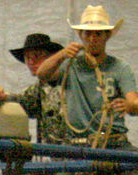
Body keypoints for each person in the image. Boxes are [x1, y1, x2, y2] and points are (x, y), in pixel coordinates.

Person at [36, 5, 138, 150]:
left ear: (107, 36)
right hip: (78, 145)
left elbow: (134, 100)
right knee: (61, 173)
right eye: (88, 34)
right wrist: (62, 54)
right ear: (81, 35)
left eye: (98, 34)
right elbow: (42, 74)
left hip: (114, 142)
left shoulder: (120, 67)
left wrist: (130, 106)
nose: (92, 39)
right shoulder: (70, 65)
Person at [0, 33, 67, 144]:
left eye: (36, 56)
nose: (31, 62)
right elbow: (24, 101)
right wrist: (4, 97)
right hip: (54, 155)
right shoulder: (40, 88)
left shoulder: (70, 78)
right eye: (27, 58)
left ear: (51, 57)